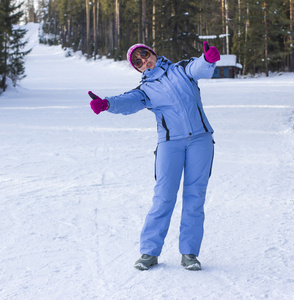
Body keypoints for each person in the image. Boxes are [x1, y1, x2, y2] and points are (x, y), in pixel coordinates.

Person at [89, 42, 220, 271]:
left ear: (152, 52)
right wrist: (108, 104)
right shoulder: (145, 90)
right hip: (170, 144)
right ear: (137, 69)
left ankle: (189, 253)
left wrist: (208, 59)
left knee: (195, 197)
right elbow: (128, 101)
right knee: (163, 197)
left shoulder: (181, 69)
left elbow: (198, 68)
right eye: (137, 62)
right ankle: (149, 252)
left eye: (144, 55)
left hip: (201, 140)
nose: (143, 61)